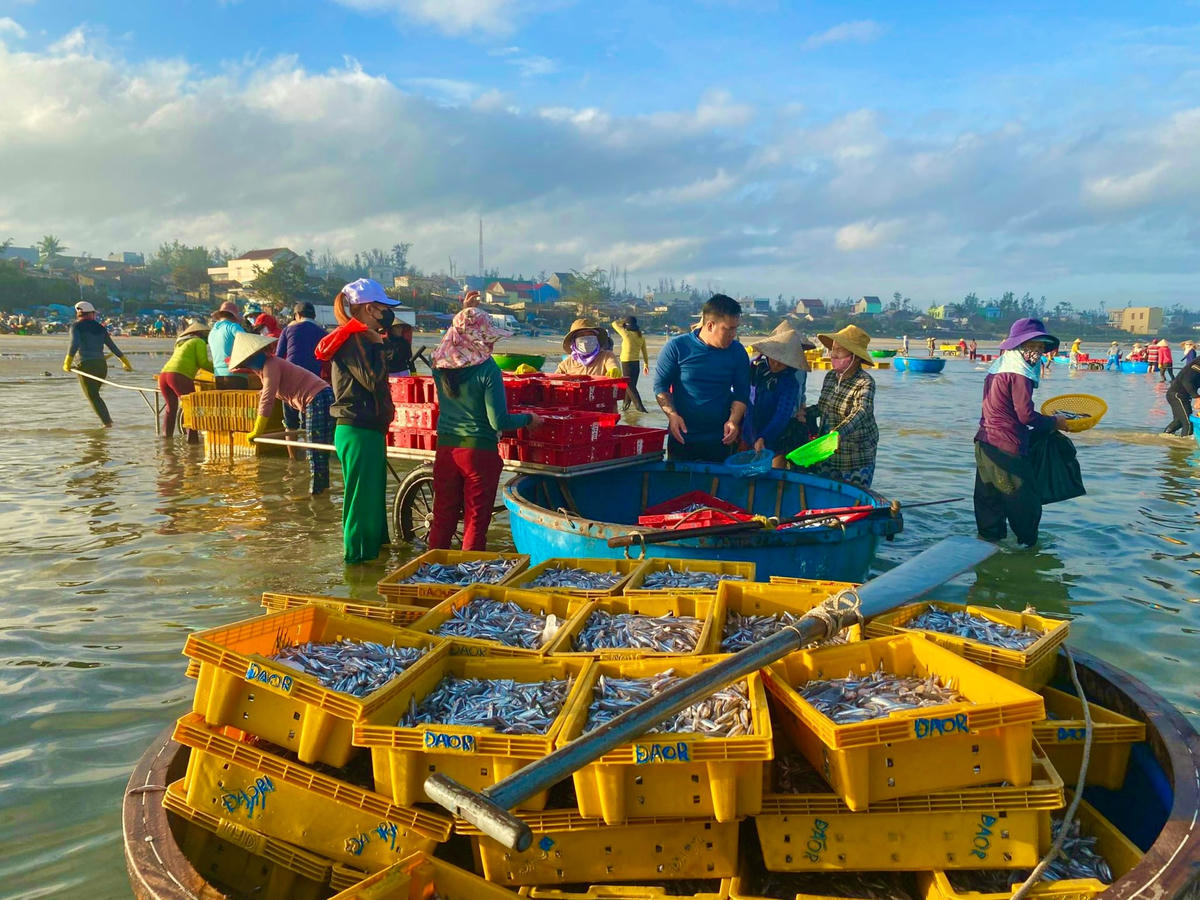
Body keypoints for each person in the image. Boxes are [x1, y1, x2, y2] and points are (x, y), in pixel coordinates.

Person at [429, 307, 542, 550]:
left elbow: (454, 335)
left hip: (446, 449)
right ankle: (469, 578)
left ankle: (431, 572)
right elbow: (498, 422)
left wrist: (462, 315)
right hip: (478, 453)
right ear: (478, 336)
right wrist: (528, 419)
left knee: (442, 518)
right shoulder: (488, 369)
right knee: (475, 521)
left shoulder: (439, 366)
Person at [314, 278, 400, 562]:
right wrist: (378, 346)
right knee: (360, 503)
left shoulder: (362, 338)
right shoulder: (354, 340)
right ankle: (357, 566)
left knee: (373, 499)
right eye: (382, 308)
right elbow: (372, 380)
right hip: (356, 428)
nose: (386, 314)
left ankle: (376, 560)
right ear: (367, 309)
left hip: (368, 428)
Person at [974, 318, 1069, 547]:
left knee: (989, 498)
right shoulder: (1019, 373)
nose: (1036, 352)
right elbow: (1025, 415)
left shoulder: (997, 368)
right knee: (1023, 502)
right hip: (1007, 446)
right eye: (1032, 346)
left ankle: (989, 542)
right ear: (1019, 346)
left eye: (1040, 347)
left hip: (985, 441)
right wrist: (1055, 422)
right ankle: (1027, 547)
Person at [233, 332, 335, 495]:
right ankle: (322, 492)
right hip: (318, 397)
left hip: (317, 397)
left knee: (315, 451)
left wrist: (257, 430)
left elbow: (267, 399)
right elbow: (269, 391)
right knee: (319, 449)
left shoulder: (270, 364)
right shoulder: (265, 369)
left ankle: (317, 494)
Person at [653, 294, 750, 462]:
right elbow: (660, 386)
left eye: (736, 328)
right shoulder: (677, 347)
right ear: (710, 325)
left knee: (716, 487)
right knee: (679, 487)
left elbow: (742, 393)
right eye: (729, 329)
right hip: (682, 436)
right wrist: (672, 415)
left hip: (721, 439)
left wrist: (733, 421)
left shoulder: (738, 352)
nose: (734, 334)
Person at [808, 325, 879, 488]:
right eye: (833, 349)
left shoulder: (865, 382)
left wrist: (839, 432)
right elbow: (822, 407)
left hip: (856, 455)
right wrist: (804, 413)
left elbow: (862, 411)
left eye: (839, 351)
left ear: (855, 356)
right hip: (828, 452)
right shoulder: (831, 377)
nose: (833, 354)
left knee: (854, 500)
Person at [742, 324, 804, 466]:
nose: (776, 364)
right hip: (748, 430)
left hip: (777, 434)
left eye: (782, 361)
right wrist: (752, 436)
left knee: (775, 473)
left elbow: (782, 414)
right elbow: (747, 400)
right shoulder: (754, 369)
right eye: (773, 358)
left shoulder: (790, 382)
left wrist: (764, 436)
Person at [63, 300, 133, 427]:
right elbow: (113, 347)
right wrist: (125, 362)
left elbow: (74, 344)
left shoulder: (76, 326)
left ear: (79, 314)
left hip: (85, 366)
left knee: (93, 396)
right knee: (96, 395)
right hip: (102, 367)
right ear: (91, 314)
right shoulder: (100, 328)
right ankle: (108, 422)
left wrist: (67, 362)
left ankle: (107, 424)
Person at [277, 302, 328, 433]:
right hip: (313, 383)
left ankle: (292, 454)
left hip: (290, 378)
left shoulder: (288, 330)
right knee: (309, 422)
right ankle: (308, 452)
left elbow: (278, 356)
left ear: (297, 315)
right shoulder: (322, 332)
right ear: (314, 316)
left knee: (290, 422)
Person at [159, 320, 212, 441]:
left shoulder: (181, 343)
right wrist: (218, 370)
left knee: (170, 408)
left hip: (164, 375)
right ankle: (192, 442)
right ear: (201, 333)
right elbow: (202, 362)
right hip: (178, 376)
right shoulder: (198, 341)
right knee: (191, 407)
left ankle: (167, 442)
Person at [610, 316, 650, 412]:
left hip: (626, 362)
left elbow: (614, 324)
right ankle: (625, 407)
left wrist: (622, 321)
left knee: (629, 386)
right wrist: (646, 365)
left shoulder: (626, 334)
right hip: (636, 363)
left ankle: (640, 408)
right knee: (631, 387)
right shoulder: (641, 336)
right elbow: (644, 352)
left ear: (627, 325)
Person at [556, 318, 621, 376]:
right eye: (581, 335)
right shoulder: (568, 362)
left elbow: (612, 364)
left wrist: (614, 369)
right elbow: (555, 378)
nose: (586, 340)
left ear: (596, 338)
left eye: (590, 334)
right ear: (574, 341)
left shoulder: (606, 356)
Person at [208, 301, 247, 388]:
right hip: (236, 375)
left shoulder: (212, 331)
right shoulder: (233, 327)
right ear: (234, 316)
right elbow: (248, 345)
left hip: (218, 375)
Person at [1163, 352, 1200, 437]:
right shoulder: (1197, 365)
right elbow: (1186, 381)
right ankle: (1184, 447)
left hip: (1184, 396)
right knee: (1189, 423)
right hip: (1177, 395)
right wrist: (1197, 398)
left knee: (1179, 421)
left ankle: (1164, 437)